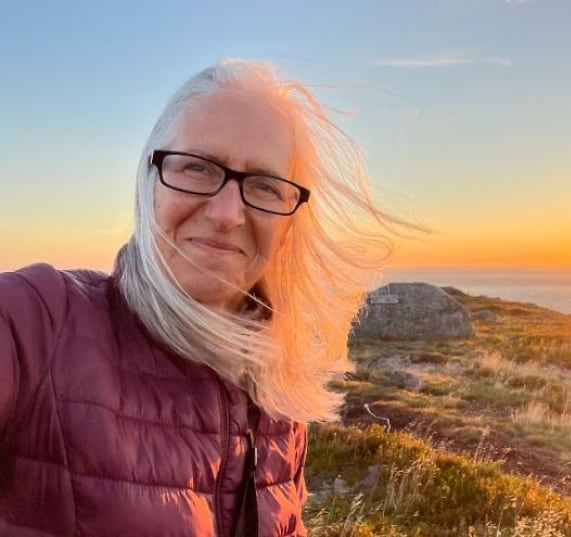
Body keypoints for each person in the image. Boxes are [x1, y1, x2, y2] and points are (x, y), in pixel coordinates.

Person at [0, 59, 413, 537]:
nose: (226, 213)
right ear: (149, 181)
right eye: (197, 167)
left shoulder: (278, 393)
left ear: (288, 219)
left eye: (264, 185)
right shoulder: (35, 320)